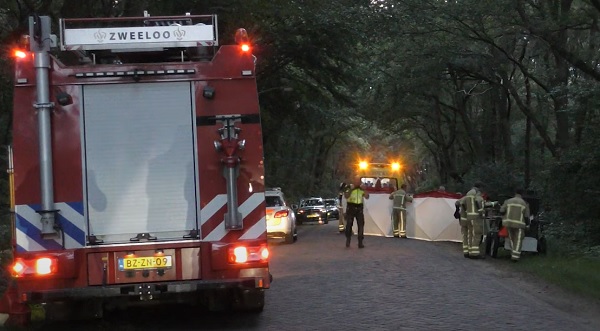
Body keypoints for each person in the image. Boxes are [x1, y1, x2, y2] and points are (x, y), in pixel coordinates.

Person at [500, 188, 531, 262]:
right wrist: (527, 225)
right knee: (518, 240)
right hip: (519, 225)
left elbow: (502, 211)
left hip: (508, 224)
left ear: (515, 193)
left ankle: (512, 254)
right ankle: (515, 257)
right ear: (522, 194)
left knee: (511, 239)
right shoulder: (524, 203)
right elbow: (526, 216)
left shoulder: (508, 201)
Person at [458, 182, 485, 258]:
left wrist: (464, 211)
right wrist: (481, 211)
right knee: (476, 234)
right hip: (475, 216)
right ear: (480, 187)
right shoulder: (476, 193)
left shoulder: (468, 193)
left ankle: (467, 252)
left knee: (468, 235)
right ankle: (474, 253)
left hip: (467, 217)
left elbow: (460, 203)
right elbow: (478, 201)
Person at [344, 177, 369, 248]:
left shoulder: (361, 189)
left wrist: (365, 189)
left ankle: (360, 242)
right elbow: (346, 196)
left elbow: (367, 197)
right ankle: (348, 239)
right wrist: (351, 189)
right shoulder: (349, 187)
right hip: (351, 208)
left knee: (361, 225)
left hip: (359, 208)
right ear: (353, 181)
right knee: (349, 225)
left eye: (359, 181)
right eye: (356, 181)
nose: (358, 182)